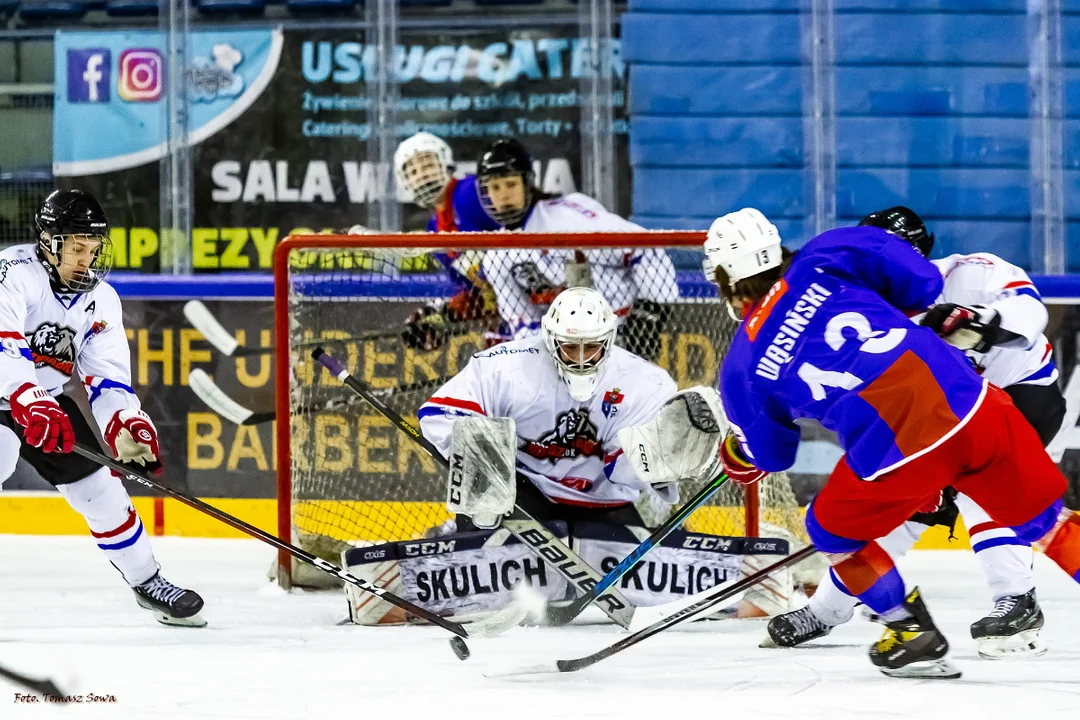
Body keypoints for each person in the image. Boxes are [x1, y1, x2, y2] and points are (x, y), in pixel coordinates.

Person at [667, 207, 1079, 679]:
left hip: (899, 447)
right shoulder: (826, 252)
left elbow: (773, 455)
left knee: (830, 529)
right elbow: (922, 284)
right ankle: (830, 610)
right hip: (975, 404)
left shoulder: (742, 364)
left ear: (721, 279)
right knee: (1050, 523)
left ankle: (908, 629)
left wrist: (736, 454)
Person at [0, 189, 205, 627]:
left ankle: (149, 583)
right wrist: (28, 398)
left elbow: (107, 378)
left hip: (46, 403)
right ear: (48, 241)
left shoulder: (101, 299)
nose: (85, 260)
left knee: (102, 491)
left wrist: (126, 423)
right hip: (8, 397)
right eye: (76, 248)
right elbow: (6, 346)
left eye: (92, 249)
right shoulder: (12, 272)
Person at [418, 287, 680, 532]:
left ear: (608, 341)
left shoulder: (645, 382)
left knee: (637, 572)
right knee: (487, 545)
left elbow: (627, 467)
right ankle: (464, 532)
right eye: (569, 347)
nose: (580, 358)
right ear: (551, 339)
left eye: (590, 347)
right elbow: (439, 414)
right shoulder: (505, 366)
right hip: (523, 493)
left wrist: (659, 463)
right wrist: (487, 469)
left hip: (603, 502)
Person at [474, 138, 679, 360]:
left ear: (527, 183)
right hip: (573, 351)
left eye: (510, 184)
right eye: (494, 187)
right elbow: (523, 322)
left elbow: (644, 247)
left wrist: (650, 311)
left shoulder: (566, 220)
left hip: (623, 335)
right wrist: (545, 357)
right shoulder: (497, 255)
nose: (503, 196)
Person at [392, 132, 502, 352]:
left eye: (428, 165)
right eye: (413, 172)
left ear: (446, 163)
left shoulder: (470, 193)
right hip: (505, 319)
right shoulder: (434, 230)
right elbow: (476, 297)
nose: (422, 175)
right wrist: (443, 316)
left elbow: (519, 229)